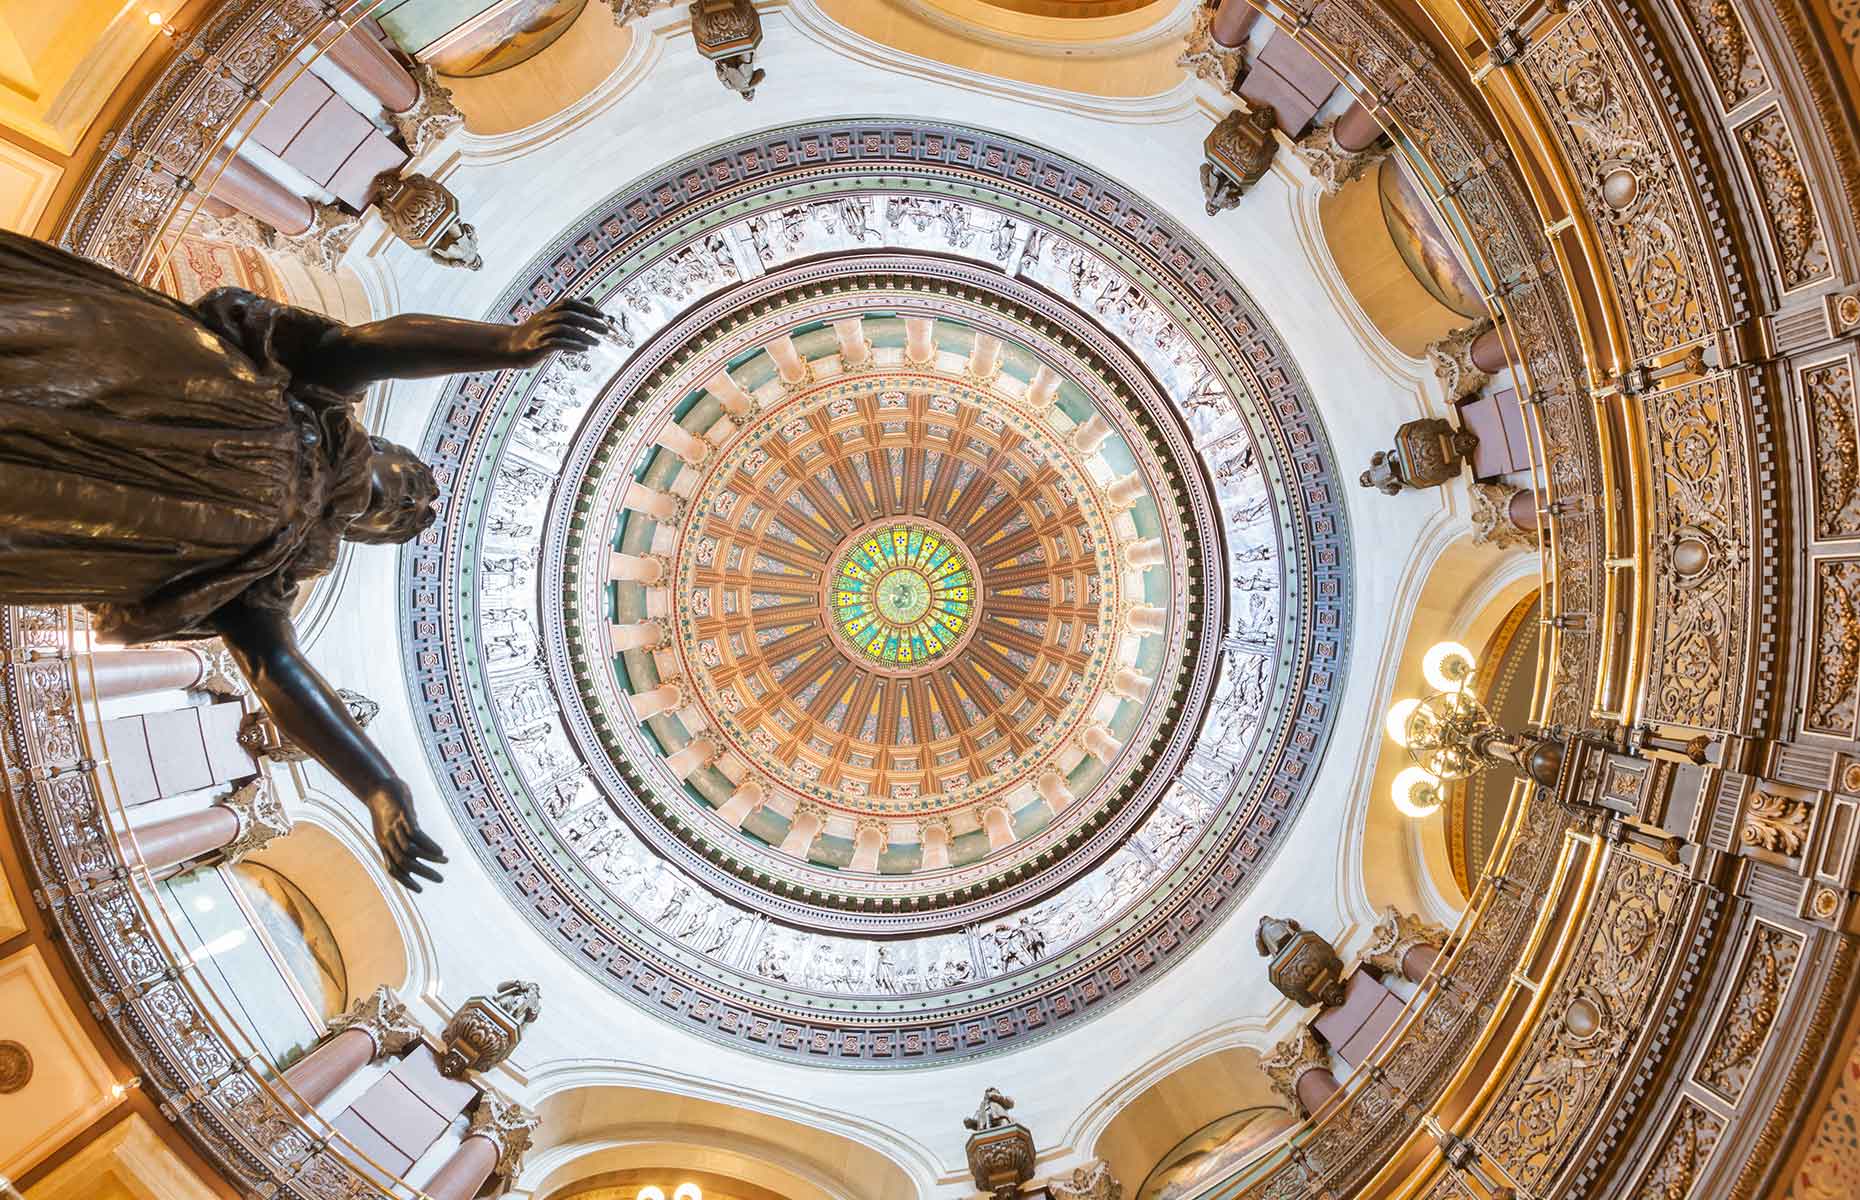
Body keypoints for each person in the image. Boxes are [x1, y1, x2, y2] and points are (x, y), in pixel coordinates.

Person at [0, 231, 606, 891]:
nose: (412, 507)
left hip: (98, 515)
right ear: (388, 445)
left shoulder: (268, 571)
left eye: (400, 525)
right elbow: (366, 346)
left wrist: (379, 786)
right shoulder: (313, 400)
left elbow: (274, 668)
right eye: (418, 484)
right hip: (147, 385)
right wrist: (505, 344)